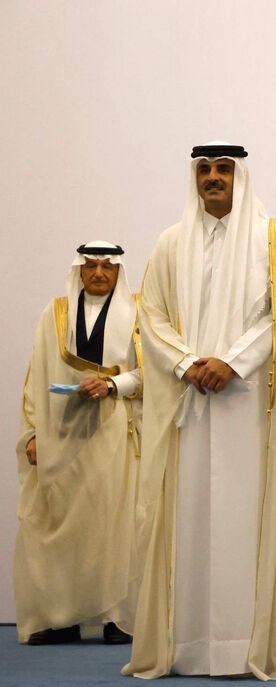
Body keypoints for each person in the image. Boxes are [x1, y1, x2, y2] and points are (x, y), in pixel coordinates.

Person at [124, 144, 276, 680]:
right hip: (188, 404)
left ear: (241, 175)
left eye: (223, 169)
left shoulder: (272, 237)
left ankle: (246, 647)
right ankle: (189, 647)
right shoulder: (170, 243)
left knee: (247, 520)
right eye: (204, 170)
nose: (213, 178)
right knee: (188, 520)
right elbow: (152, 316)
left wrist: (232, 363)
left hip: (249, 409)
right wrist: (190, 362)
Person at [15, 241, 141, 646]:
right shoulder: (54, 315)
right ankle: (60, 617)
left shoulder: (139, 315)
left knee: (114, 526)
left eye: (107, 266)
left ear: (119, 272)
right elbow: (36, 376)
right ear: (79, 270)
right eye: (91, 266)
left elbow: (149, 375)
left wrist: (111, 384)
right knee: (60, 525)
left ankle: (117, 618)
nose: (99, 272)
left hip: (114, 434)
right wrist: (33, 433)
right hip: (61, 434)